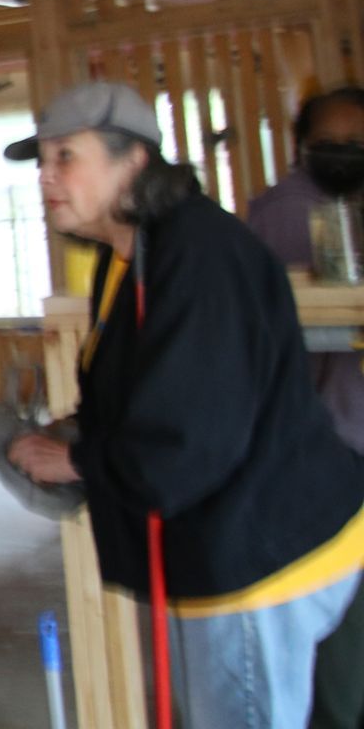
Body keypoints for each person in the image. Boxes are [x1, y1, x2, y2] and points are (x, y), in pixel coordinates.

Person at [5, 82, 364, 729]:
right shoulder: (130, 255)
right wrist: (79, 433)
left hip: (261, 559)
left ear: (134, 161)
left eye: (66, 157)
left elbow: (193, 440)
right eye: (42, 161)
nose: (46, 177)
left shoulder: (200, 258)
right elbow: (153, 390)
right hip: (237, 542)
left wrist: (78, 461)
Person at [246, 85, 364, 729]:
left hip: (335, 434)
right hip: (327, 446)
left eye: (356, 144)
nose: (344, 154)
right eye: (330, 144)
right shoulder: (291, 211)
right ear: (300, 148)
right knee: (339, 620)